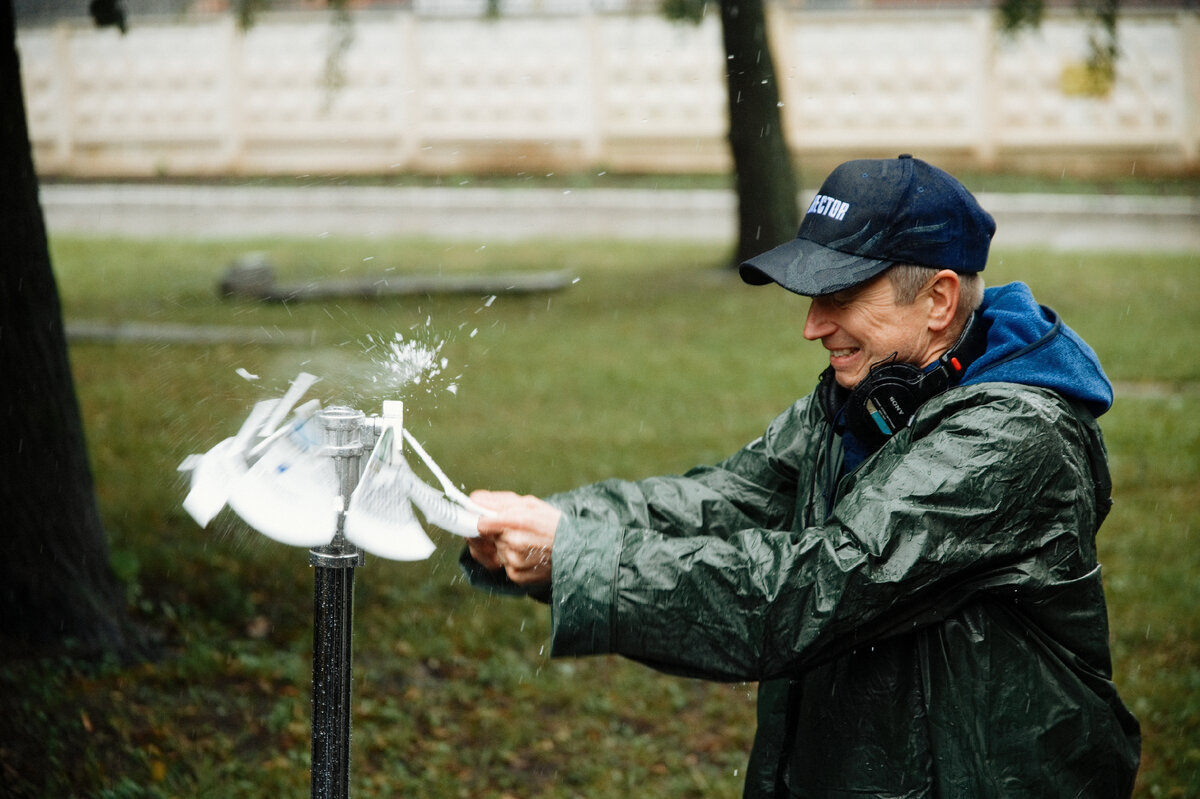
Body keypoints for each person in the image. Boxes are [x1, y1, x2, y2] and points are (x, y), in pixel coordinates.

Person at [462, 154, 1141, 797]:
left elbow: (809, 592)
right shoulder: (864, 398)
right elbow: (725, 501)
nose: (813, 326)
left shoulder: (1012, 437)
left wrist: (577, 556)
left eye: (839, 295)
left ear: (937, 300)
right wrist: (553, 522)